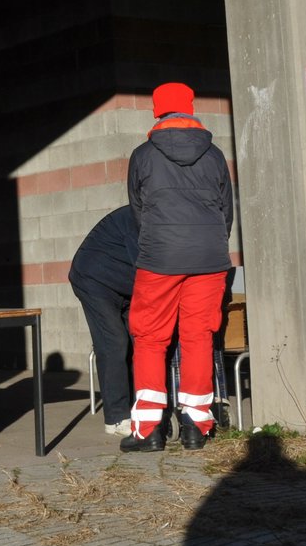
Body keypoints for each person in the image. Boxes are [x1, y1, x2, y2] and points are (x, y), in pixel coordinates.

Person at [124, 82, 235, 452]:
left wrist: (160, 242)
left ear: (158, 111)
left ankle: (149, 429)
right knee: (198, 336)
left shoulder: (142, 155)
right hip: (209, 258)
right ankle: (196, 425)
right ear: (190, 108)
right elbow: (226, 211)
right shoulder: (215, 155)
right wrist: (210, 245)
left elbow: (138, 211)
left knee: (150, 337)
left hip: (160, 258)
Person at [69, 205, 140, 437]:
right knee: (114, 342)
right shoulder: (139, 221)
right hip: (93, 279)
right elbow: (146, 268)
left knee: (139, 340)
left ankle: (139, 406)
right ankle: (117, 418)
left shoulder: (157, 219)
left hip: (123, 281)